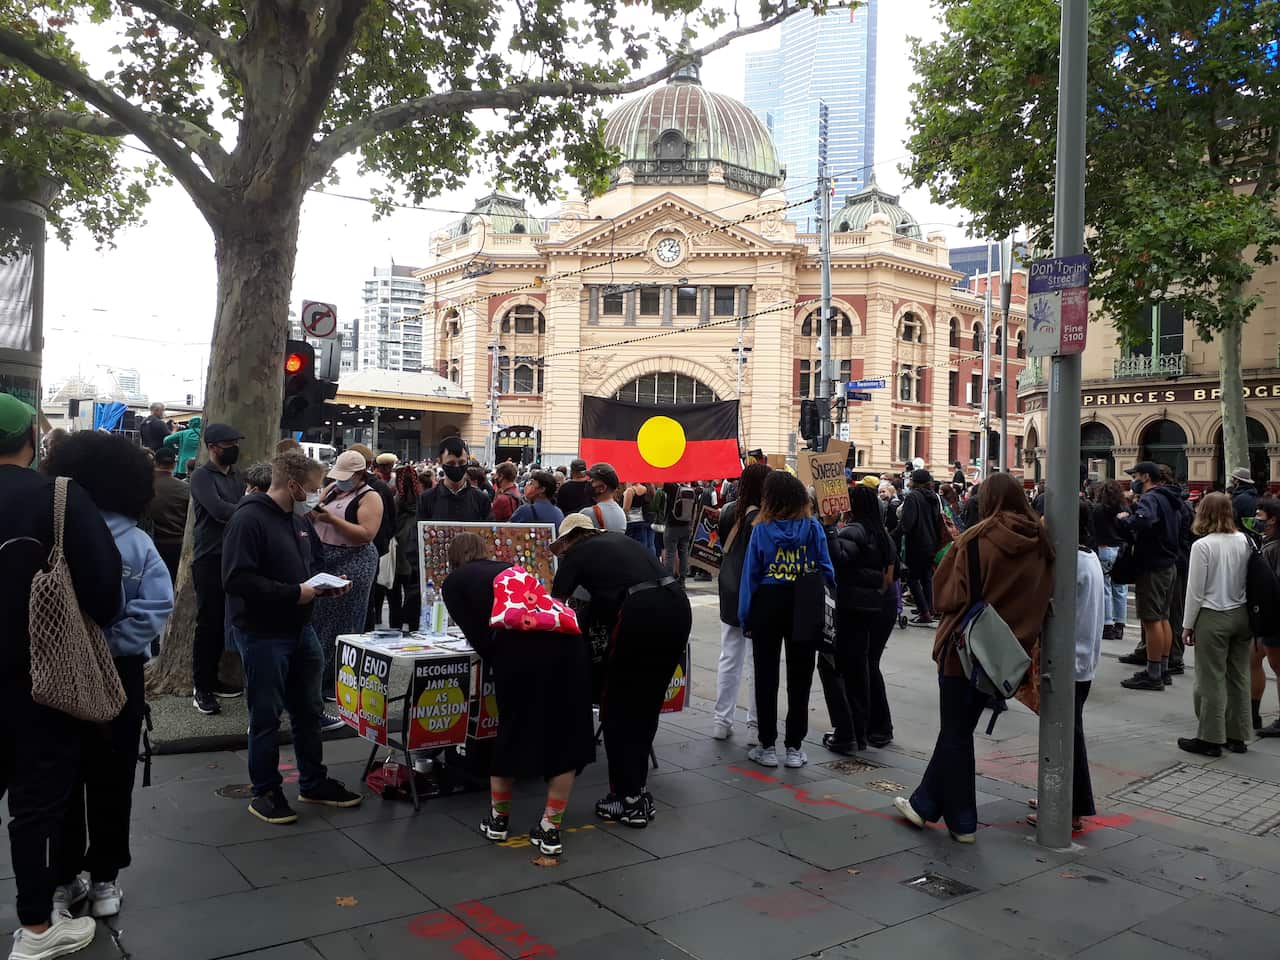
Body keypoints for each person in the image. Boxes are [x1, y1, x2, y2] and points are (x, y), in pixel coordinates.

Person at [0, 393, 121, 958]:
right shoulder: (59, 498)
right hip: (39, 680)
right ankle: (37, 928)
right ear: (31, 440)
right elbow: (104, 593)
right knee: (38, 802)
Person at [44, 432, 175, 922]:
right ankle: (105, 880)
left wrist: (75, 647)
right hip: (120, 676)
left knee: (59, 778)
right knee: (111, 775)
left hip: (55, 672)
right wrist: (109, 647)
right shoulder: (137, 541)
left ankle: (62, 878)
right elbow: (158, 606)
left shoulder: (50, 531)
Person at [894, 472, 1054, 844]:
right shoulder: (1044, 544)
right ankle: (924, 803)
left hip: (965, 648)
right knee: (959, 729)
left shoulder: (977, 540)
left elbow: (945, 596)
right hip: (1008, 655)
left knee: (955, 731)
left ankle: (964, 821)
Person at [222, 451, 363, 824]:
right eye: (314, 488)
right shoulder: (248, 519)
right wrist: (292, 593)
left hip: (301, 630)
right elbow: (236, 579)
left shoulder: (298, 519)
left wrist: (322, 587)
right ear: (293, 484)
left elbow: (309, 566)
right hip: (262, 632)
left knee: (308, 710)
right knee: (266, 715)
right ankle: (265, 791)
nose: (318, 495)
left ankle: (313, 782)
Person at [442, 534, 595, 856]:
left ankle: (498, 821)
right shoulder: (511, 569)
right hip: (567, 645)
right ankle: (550, 829)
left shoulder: (455, 581)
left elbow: (478, 636)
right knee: (565, 734)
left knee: (512, 728)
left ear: (454, 558)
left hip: (518, 649)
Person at [551, 514, 692, 828]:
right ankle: (637, 792)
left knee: (617, 709)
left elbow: (556, 606)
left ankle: (626, 799)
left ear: (569, 539)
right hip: (677, 605)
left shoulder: (576, 554)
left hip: (642, 611)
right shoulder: (619, 543)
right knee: (646, 704)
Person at [738, 471, 835, 769]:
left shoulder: (761, 529)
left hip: (768, 602)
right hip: (804, 603)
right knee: (801, 677)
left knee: (766, 676)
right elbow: (826, 570)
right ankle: (794, 747)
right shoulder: (813, 527)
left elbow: (750, 576)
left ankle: (767, 745)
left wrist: (746, 616)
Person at [1027, 501, 1104, 833]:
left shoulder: (1072, 564)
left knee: (1067, 734)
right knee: (1066, 731)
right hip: (1080, 660)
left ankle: (1069, 807)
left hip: (1070, 662)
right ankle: (1058, 794)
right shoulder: (1088, 558)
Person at [824, 484, 899, 752]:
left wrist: (830, 529)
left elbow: (838, 557)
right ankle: (874, 727)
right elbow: (894, 572)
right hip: (879, 607)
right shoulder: (882, 534)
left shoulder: (854, 530)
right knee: (868, 665)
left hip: (855, 608)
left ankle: (858, 730)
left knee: (849, 668)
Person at [1178, 492, 1253, 757]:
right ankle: (1239, 735)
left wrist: (1188, 625)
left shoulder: (1203, 546)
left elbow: (1195, 591)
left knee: (1210, 679)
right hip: (1242, 614)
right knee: (1239, 676)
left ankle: (1210, 738)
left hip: (1213, 614)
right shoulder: (1244, 540)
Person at [311, 450, 384, 715]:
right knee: (319, 620)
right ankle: (317, 679)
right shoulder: (331, 489)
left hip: (354, 560)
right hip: (324, 556)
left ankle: (332, 680)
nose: (340, 481)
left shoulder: (371, 497)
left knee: (342, 622)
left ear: (359, 475)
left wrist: (330, 519)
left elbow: (366, 534)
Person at [188, 422, 246, 714]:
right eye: (229, 444)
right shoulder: (201, 476)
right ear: (213, 448)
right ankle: (202, 686)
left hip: (235, 558)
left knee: (229, 623)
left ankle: (216, 678)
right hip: (209, 558)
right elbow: (219, 510)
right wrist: (250, 508)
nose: (234, 449)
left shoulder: (237, 476)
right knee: (209, 624)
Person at [712, 463, 770, 741]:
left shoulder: (728, 510)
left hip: (728, 587)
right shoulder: (763, 517)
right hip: (754, 591)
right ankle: (755, 723)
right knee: (756, 660)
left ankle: (721, 721)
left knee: (729, 655)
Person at [1117, 461, 1184, 691]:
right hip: (1169, 563)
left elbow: (1144, 521)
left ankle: (1153, 673)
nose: (1132, 480)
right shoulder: (1170, 497)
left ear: (1145, 477)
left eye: (1135, 475)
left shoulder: (1150, 498)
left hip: (1153, 565)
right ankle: (1162, 668)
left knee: (1151, 619)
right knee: (1163, 617)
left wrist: (1126, 520)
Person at [899, 469, 941, 624]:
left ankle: (924, 613)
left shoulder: (912, 497)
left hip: (916, 544)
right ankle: (929, 608)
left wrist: (893, 535)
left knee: (912, 579)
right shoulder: (934, 498)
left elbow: (907, 524)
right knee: (926, 578)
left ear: (915, 481)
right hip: (931, 542)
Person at [1253, 498, 1280, 737]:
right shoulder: (1269, 543)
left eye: (1259, 515)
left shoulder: (1275, 547)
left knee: (1277, 665)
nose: (1255, 519)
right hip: (1271, 617)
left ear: (1272, 519)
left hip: (1274, 617)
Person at [417, 437, 491, 522]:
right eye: (451, 463)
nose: (456, 467)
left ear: (467, 460)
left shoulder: (481, 499)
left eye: (461, 462)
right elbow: (419, 531)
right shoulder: (426, 499)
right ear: (440, 462)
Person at [146, 446, 190, 586]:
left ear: (155, 462)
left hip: (150, 544)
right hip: (176, 544)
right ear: (174, 464)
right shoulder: (185, 488)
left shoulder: (144, 486)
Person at [1093, 480, 1130, 644]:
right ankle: (1120, 624)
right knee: (1120, 588)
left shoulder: (1098, 509)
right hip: (1120, 549)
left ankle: (1107, 624)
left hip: (1104, 547)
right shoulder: (1124, 509)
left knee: (1105, 587)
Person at [390, 465, 423, 632]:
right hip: (414, 553)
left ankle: (395, 628)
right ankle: (413, 627)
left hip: (397, 555)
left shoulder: (396, 500)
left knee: (394, 596)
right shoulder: (421, 499)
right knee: (413, 595)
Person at [661, 481, 699, 581]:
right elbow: (694, 511)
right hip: (686, 526)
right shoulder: (691, 491)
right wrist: (691, 526)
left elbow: (658, 482)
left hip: (672, 526)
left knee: (670, 553)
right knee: (684, 553)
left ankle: (669, 579)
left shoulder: (671, 487)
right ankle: (682, 579)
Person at [583, 463, 626, 531]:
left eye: (593, 481)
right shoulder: (620, 512)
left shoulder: (588, 513)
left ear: (602, 488)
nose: (588, 482)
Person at [162, 414, 203, 479]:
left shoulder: (183, 433)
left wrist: (174, 447)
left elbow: (166, 440)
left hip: (183, 467)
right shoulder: (205, 433)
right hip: (201, 466)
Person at [622, 481, 654, 552]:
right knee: (643, 546)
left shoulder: (630, 490)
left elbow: (626, 509)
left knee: (630, 547)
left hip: (630, 521)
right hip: (641, 519)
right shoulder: (645, 489)